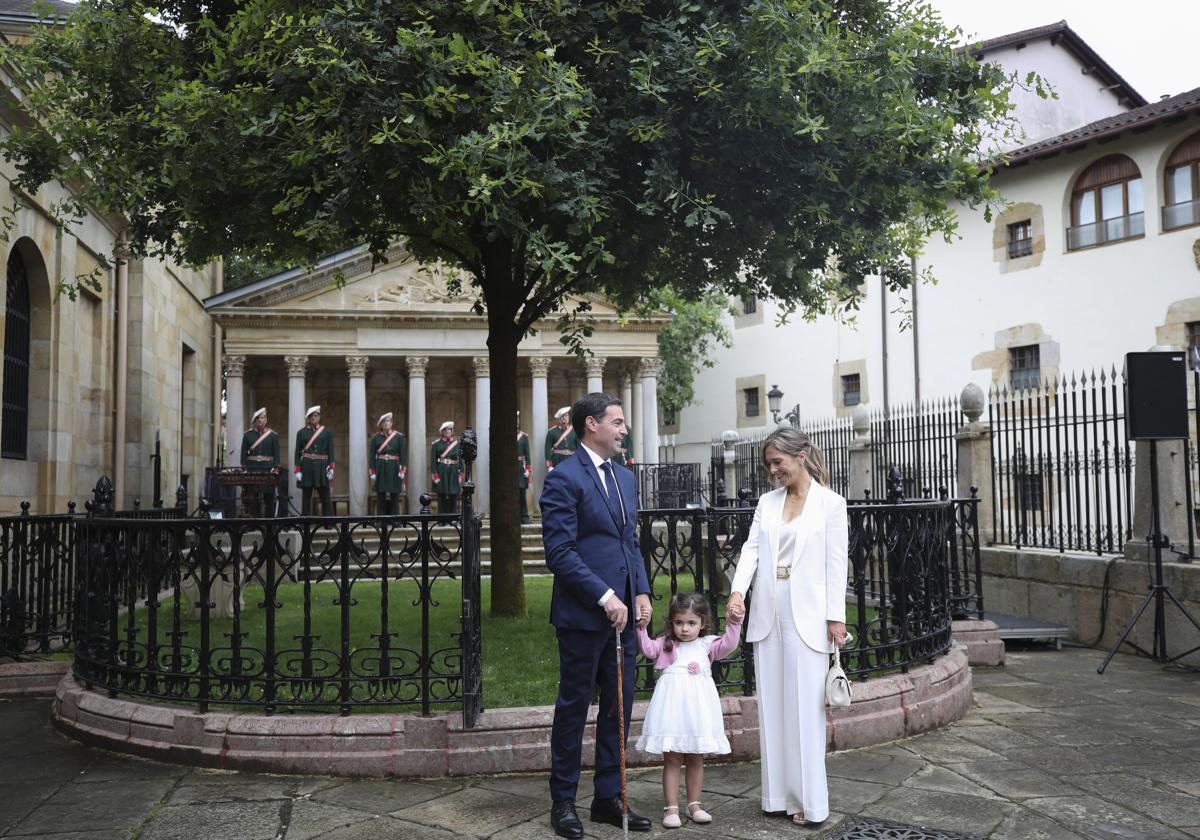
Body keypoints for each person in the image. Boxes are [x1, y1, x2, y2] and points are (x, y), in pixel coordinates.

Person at [540, 393, 653, 839]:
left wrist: (640, 590)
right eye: (618, 421)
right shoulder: (563, 478)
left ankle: (608, 797)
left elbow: (630, 540)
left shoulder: (625, 478)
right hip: (584, 617)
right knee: (573, 709)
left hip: (625, 619)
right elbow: (560, 553)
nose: (625, 429)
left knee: (618, 709)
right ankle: (562, 801)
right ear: (592, 425)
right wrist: (606, 595)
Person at [725, 427, 848, 826]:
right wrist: (738, 592)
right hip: (767, 612)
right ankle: (777, 796)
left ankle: (809, 802)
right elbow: (752, 550)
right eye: (769, 464)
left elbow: (835, 563)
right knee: (774, 709)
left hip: (808, 616)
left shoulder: (831, 505)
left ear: (801, 455)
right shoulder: (767, 502)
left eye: (778, 462)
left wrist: (836, 617)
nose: (773, 470)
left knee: (804, 712)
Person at [635, 592, 742, 829]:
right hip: (672, 709)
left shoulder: (707, 645)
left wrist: (734, 623)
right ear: (672, 622)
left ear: (702, 623)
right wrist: (641, 628)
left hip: (698, 710)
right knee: (672, 758)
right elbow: (647, 649)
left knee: (696, 757)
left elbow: (730, 645)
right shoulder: (666, 644)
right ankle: (671, 807)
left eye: (691, 623)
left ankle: (694, 804)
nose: (684, 628)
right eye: (679, 622)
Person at [294, 405, 335, 516]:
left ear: (319, 417)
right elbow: (297, 452)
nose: (313, 418)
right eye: (311, 416)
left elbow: (330, 451)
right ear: (308, 418)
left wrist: (331, 468)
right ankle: (305, 523)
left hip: (322, 466)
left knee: (325, 495)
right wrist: (298, 470)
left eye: (315, 415)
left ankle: (329, 522)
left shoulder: (327, 432)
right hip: (306, 466)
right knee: (306, 495)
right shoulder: (301, 433)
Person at [239, 407, 280, 516]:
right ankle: (254, 523)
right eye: (258, 418)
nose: (260, 420)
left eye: (262, 418)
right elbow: (243, 453)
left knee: (269, 497)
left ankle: (269, 524)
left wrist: (275, 468)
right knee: (254, 497)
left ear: (266, 420)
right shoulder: (247, 435)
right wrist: (244, 468)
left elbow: (276, 454)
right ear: (254, 420)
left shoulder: (272, 436)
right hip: (253, 468)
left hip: (268, 469)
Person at [370, 412, 407, 515]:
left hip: (394, 467)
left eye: (389, 421)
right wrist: (372, 471)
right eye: (384, 421)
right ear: (381, 424)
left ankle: (395, 519)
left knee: (395, 494)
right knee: (380, 494)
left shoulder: (399, 437)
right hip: (381, 467)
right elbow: (372, 456)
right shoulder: (375, 438)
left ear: (391, 423)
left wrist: (402, 470)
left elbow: (403, 455)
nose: (387, 423)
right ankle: (381, 519)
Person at [431, 420, 463, 514]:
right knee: (442, 495)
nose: (448, 431)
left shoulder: (457, 444)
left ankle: (452, 518)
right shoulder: (436, 444)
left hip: (453, 471)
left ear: (452, 431)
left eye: (450, 429)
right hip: (442, 471)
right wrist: (435, 475)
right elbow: (433, 462)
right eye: (446, 429)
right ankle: (442, 519)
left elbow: (460, 460)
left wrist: (460, 474)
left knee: (453, 495)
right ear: (442, 431)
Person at [544, 407, 577, 471]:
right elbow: (547, 450)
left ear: (568, 417)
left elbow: (579, 448)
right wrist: (549, 466)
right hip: (557, 462)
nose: (564, 418)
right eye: (562, 416)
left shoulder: (574, 431)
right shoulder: (551, 432)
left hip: (572, 461)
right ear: (559, 419)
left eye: (566, 415)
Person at [517, 416, 532, 524]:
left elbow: (527, 455)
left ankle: (524, 515)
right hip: (509, 467)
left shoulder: (524, 437)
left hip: (520, 468)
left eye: (517, 419)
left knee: (522, 492)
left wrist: (528, 469)